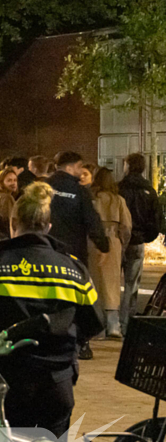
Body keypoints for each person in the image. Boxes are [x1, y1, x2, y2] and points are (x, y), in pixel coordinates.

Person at [0, 182, 103, 437]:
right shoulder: (72, 268)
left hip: (4, 386)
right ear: (48, 227)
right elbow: (93, 322)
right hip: (56, 386)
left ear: (13, 224)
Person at [46, 151, 108, 360]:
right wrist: (103, 245)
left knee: (49, 294)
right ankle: (81, 342)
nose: (81, 172)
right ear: (73, 166)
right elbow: (92, 221)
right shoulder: (79, 192)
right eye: (80, 167)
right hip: (73, 252)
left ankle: (49, 338)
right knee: (77, 295)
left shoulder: (43, 188)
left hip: (46, 251)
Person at [118, 153, 162, 334]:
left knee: (113, 282)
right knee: (132, 283)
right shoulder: (149, 191)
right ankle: (127, 322)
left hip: (119, 240)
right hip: (137, 241)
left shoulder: (119, 188)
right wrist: (146, 237)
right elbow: (156, 218)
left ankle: (113, 321)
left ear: (127, 166)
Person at [88, 168, 132, 339]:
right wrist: (122, 243)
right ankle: (113, 325)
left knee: (94, 282)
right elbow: (126, 227)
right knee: (112, 283)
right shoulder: (118, 200)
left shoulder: (91, 199)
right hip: (113, 241)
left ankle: (97, 328)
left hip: (92, 242)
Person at [0, 168, 18, 242]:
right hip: (6, 240)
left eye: (15, 180)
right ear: (1, 182)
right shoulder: (7, 198)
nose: (13, 183)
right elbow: (11, 222)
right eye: (9, 180)